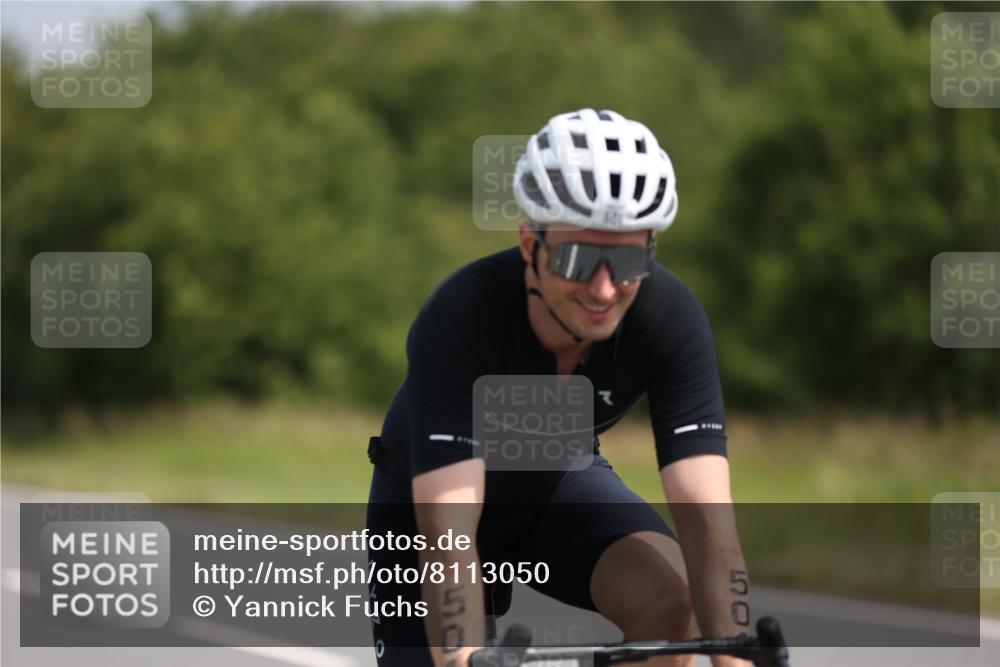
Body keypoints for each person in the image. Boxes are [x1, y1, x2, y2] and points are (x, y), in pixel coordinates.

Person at [366, 108, 751, 667]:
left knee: (674, 602)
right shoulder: (461, 314)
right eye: (578, 258)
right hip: (428, 505)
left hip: (557, 485)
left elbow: (706, 515)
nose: (604, 288)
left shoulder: (669, 318)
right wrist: (461, 656)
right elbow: (449, 529)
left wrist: (736, 657)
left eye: (627, 259)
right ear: (530, 243)